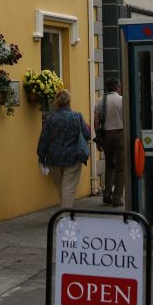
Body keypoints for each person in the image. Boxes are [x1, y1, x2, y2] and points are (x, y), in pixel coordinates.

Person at [37, 89, 91, 209]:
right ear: (69, 101)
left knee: (61, 186)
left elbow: (44, 138)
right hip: (73, 156)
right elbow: (87, 134)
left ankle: (65, 210)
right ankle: (66, 213)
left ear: (57, 102)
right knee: (69, 187)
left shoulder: (50, 118)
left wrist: (41, 156)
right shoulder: (77, 116)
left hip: (54, 157)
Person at [94, 76, 125, 207]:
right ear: (118, 87)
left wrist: (98, 137)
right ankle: (117, 198)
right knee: (121, 168)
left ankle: (107, 195)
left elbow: (96, 122)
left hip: (106, 136)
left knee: (109, 165)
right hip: (120, 134)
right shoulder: (123, 100)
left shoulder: (101, 100)